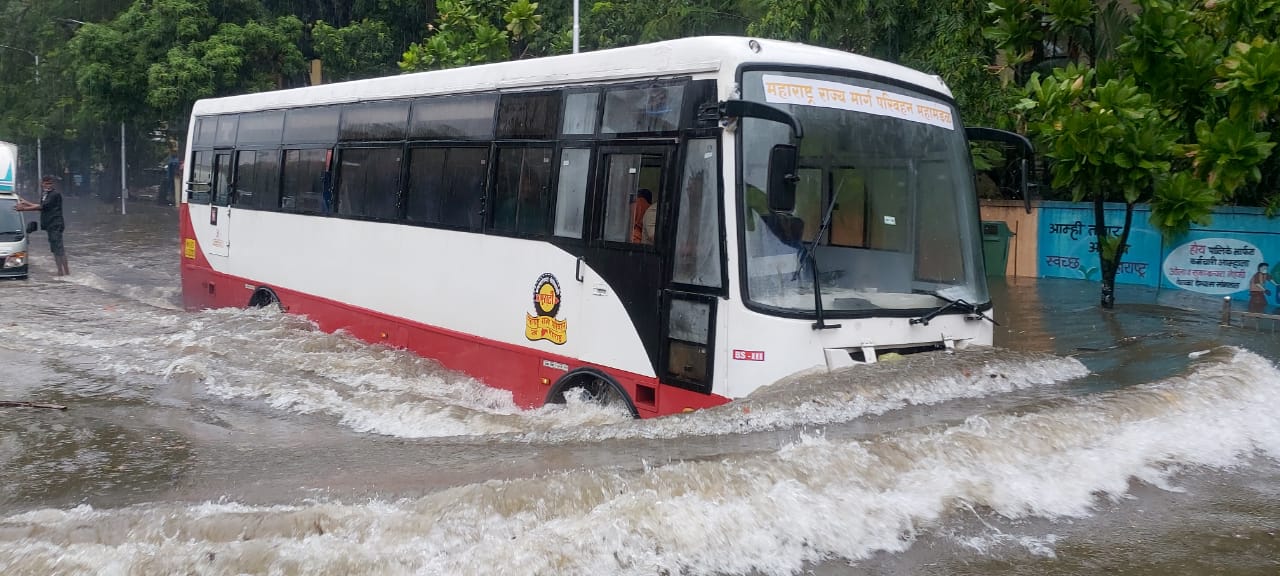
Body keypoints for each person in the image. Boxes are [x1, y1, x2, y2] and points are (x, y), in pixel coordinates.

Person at [14, 175, 69, 276]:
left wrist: (24, 209)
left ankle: (65, 273)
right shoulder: (45, 194)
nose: (48, 185)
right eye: (46, 183)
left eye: (50, 183)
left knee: (59, 249)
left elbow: (41, 207)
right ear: (42, 183)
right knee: (55, 249)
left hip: (55, 225)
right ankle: (60, 271)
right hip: (50, 225)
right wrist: (26, 203)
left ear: (53, 184)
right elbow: (40, 206)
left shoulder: (54, 195)